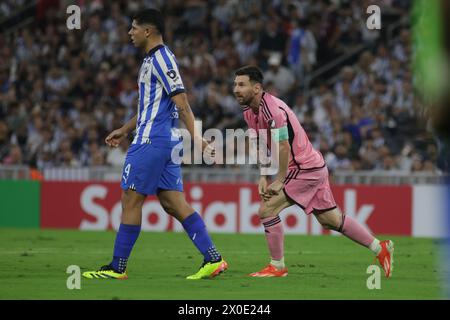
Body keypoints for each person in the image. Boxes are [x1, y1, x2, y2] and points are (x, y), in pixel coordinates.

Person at [82, 9, 227, 280]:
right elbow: (151, 105)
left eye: (133, 28)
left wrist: (197, 138)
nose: (129, 33)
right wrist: (125, 130)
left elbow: (181, 102)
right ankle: (213, 259)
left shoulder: (161, 59)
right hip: (162, 141)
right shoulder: (153, 60)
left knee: (131, 199)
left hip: (152, 141)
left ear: (148, 31)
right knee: (173, 202)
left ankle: (117, 267)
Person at [232, 65, 394, 278]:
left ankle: (277, 267)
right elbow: (261, 143)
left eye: (241, 84)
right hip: (312, 166)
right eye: (235, 84)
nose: (236, 89)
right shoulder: (248, 112)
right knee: (331, 220)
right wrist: (263, 175)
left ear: (257, 88)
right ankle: (379, 247)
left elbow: (283, 146)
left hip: (303, 168)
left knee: (267, 210)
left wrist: (279, 180)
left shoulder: (273, 110)